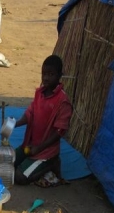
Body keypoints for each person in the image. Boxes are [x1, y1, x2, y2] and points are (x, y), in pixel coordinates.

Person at [14, 55, 72, 187]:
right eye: (44, 74)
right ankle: (35, 163)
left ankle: (51, 162)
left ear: (59, 76)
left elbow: (59, 132)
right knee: (7, 162)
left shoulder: (62, 101)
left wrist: (39, 148)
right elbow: (30, 114)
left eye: (51, 74)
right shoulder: (39, 93)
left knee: (19, 177)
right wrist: (15, 124)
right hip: (30, 145)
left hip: (45, 150)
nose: (46, 78)